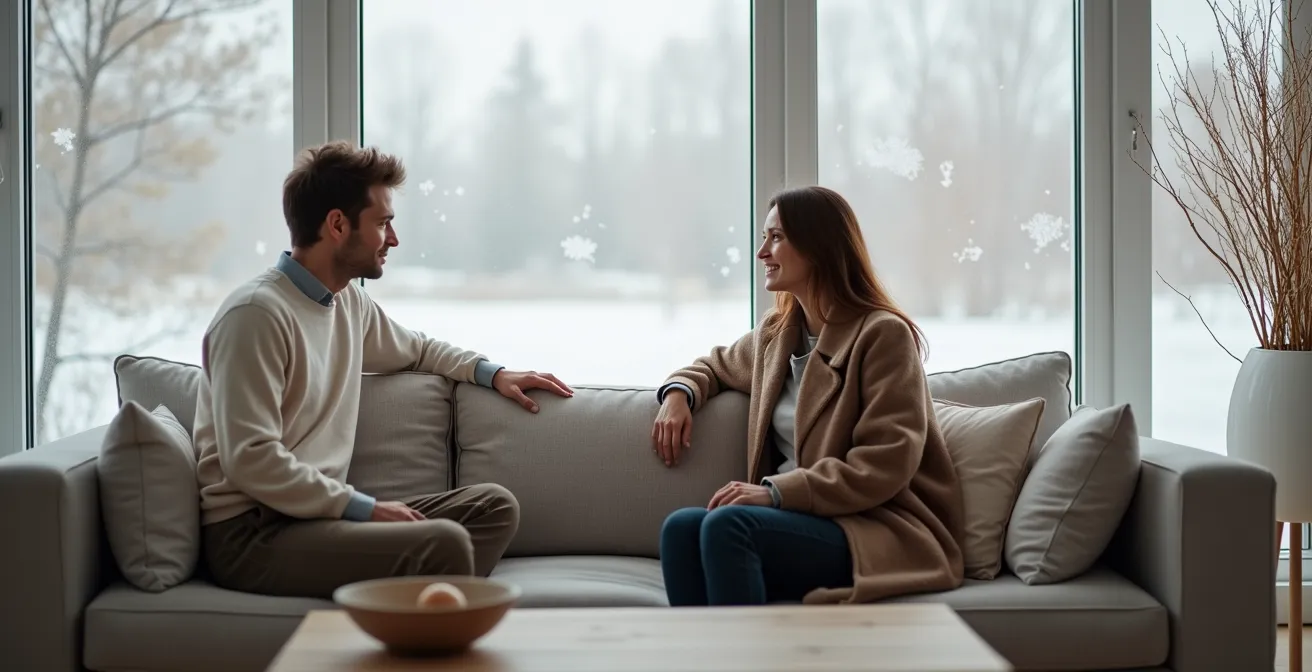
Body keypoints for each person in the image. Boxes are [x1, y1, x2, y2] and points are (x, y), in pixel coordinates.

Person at [193, 141, 573, 599]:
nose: (393, 240)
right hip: (252, 534)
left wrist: (494, 374)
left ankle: (406, 605)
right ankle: (430, 621)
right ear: (337, 224)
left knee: (492, 507)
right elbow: (251, 458)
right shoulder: (255, 315)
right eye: (383, 223)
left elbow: (417, 351)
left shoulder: (347, 302)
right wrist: (363, 509)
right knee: (445, 542)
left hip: (315, 520)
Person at [651, 185, 964, 606]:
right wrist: (678, 395)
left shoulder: (882, 335)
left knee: (728, 526)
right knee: (680, 529)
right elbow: (713, 366)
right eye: (764, 237)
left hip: (868, 528)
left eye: (776, 237)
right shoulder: (776, 335)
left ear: (818, 247)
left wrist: (775, 492)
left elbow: (887, 460)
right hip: (795, 520)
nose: (762, 252)